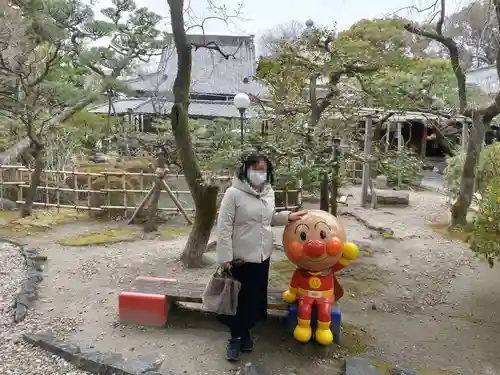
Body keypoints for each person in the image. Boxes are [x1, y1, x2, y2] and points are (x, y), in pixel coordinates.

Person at [215, 151, 307, 361]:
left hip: (263, 255)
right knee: (238, 298)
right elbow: (223, 227)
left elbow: (268, 219)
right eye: (255, 168)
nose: (259, 172)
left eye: (263, 169)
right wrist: (225, 257)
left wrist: (288, 216)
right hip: (239, 257)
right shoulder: (233, 194)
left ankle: (246, 332)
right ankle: (235, 338)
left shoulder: (269, 192)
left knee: (254, 298)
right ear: (245, 169)